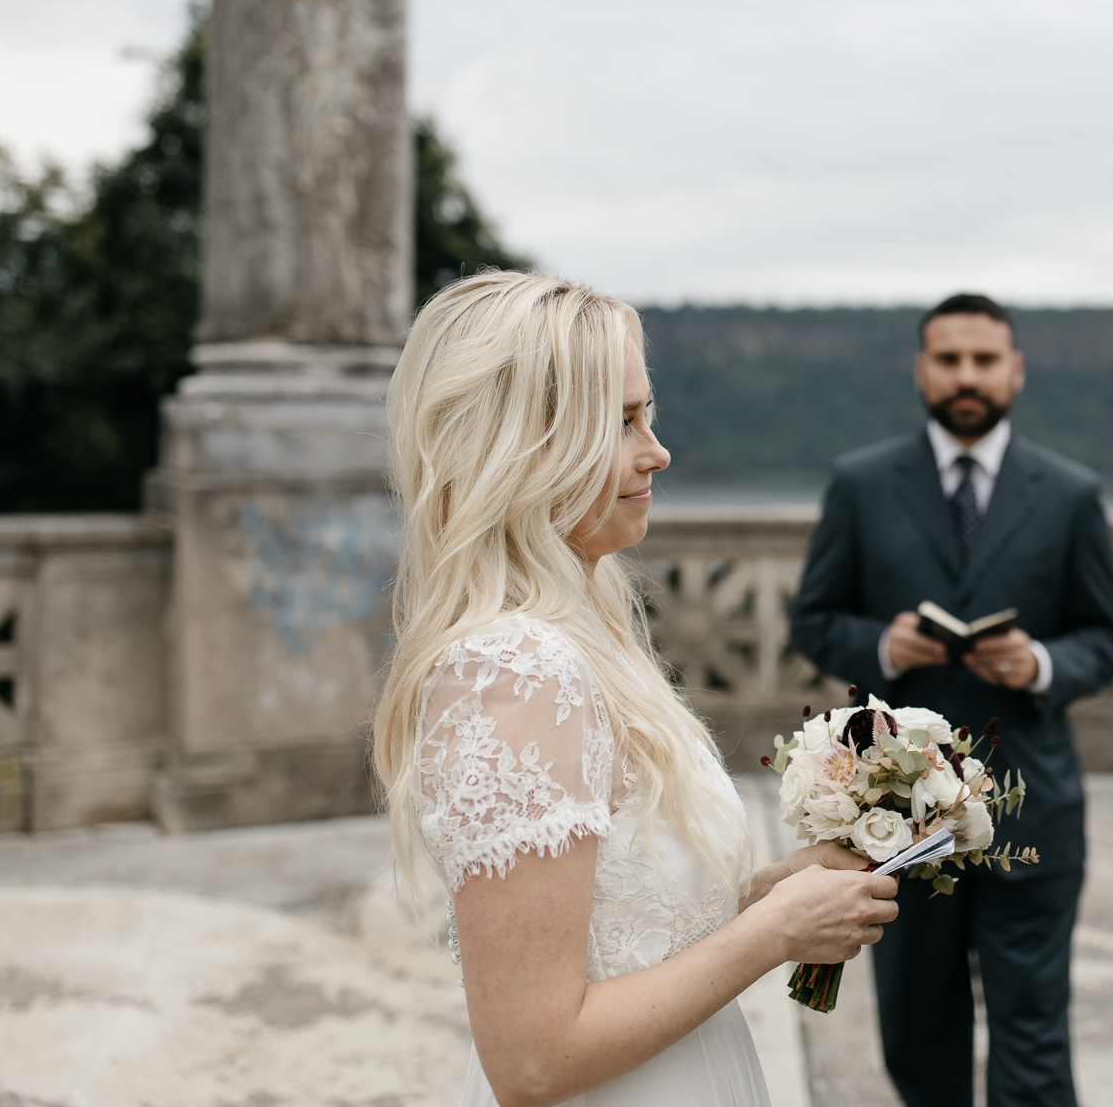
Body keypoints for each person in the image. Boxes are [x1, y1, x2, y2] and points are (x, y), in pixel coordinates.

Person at [371, 271, 900, 1107]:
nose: (657, 450)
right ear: (525, 446)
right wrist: (772, 936)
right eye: (623, 423)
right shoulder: (515, 670)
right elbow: (531, 1058)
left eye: (646, 414)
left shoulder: (588, 621)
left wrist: (768, 892)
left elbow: (621, 922)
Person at [790, 292, 1113, 1107]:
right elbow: (813, 618)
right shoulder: (862, 483)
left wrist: (1040, 664)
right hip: (898, 818)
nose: (966, 376)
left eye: (984, 360)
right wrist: (882, 647)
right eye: (949, 360)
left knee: (1034, 1038)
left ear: (1015, 371)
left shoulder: (1070, 492)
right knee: (916, 1036)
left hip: (1035, 810)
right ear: (922, 370)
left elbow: (1106, 640)